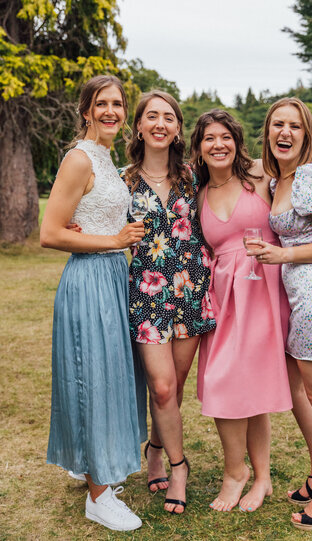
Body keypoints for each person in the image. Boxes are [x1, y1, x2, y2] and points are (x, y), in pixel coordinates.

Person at [40, 75, 146, 532]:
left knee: (111, 377)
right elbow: (49, 232)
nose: (110, 111)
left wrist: (112, 241)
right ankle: (98, 498)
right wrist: (114, 239)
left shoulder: (108, 160)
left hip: (113, 278)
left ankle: (100, 470)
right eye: (101, 103)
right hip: (88, 280)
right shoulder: (79, 159)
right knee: (91, 378)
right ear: (86, 109)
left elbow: (87, 218)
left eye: (118, 104)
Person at [247, 97, 312, 530]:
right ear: (268, 132)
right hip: (294, 299)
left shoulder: (310, 177)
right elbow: (238, 161)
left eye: (293, 126)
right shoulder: (278, 179)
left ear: (306, 134)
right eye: (276, 125)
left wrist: (282, 253)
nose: (284, 133)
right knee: (296, 393)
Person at [190, 109, 292, 513]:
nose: (219, 145)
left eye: (226, 137)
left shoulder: (258, 177)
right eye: (210, 138)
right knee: (221, 381)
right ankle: (237, 471)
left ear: (237, 141)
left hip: (263, 291)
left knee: (253, 387)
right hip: (223, 297)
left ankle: (259, 477)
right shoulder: (198, 194)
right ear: (199, 147)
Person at [119, 90, 216, 514]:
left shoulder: (196, 176)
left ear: (178, 127)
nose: (160, 123)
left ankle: (155, 448)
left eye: (169, 117)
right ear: (138, 125)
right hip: (146, 295)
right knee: (161, 387)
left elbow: (247, 179)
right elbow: (93, 220)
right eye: (151, 116)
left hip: (191, 292)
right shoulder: (121, 181)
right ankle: (179, 466)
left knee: (172, 391)